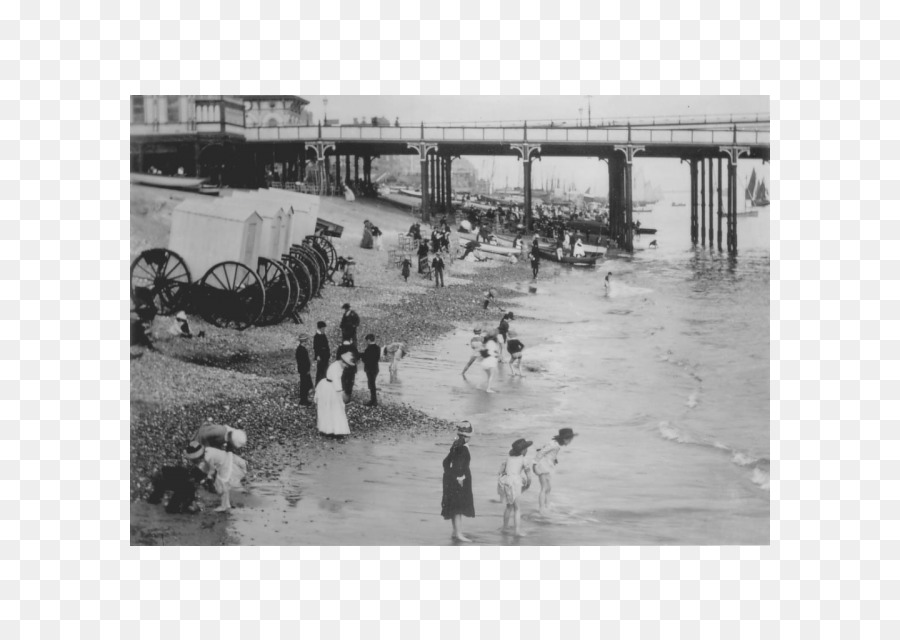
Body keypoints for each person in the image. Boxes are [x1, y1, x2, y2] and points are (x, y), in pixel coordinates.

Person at [184, 440, 247, 512]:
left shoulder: (208, 457)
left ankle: (224, 506)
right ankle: (226, 504)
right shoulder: (207, 451)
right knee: (218, 482)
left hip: (225, 463)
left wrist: (208, 478)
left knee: (222, 483)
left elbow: (212, 470)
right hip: (223, 458)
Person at [441, 421, 475, 542]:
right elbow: (460, 466)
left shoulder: (455, 445)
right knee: (458, 508)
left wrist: (449, 473)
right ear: (467, 437)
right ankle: (459, 534)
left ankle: (455, 532)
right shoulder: (463, 449)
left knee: (453, 507)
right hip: (459, 480)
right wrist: (460, 478)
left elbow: (445, 462)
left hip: (450, 479)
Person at [532, 428, 577, 513]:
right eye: (570, 440)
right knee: (544, 488)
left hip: (548, 466)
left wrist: (554, 459)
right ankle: (541, 508)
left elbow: (547, 451)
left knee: (548, 488)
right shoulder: (554, 445)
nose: (570, 442)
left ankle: (547, 505)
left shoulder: (555, 444)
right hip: (542, 466)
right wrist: (534, 464)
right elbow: (541, 452)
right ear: (565, 439)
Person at [497, 438, 534, 536]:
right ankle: (517, 531)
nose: (527, 451)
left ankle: (504, 527)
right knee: (517, 508)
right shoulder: (523, 459)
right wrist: (528, 483)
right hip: (515, 484)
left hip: (506, 482)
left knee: (508, 507)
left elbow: (501, 470)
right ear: (523, 450)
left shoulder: (508, 458)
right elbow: (528, 475)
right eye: (526, 449)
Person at [316, 351, 356, 436]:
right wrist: (341, 392)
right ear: (342, 361)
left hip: (332, 387)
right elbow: (336, 381)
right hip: (329, 387)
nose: (346, 366)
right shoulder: (335, 367)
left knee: (334, 408)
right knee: (332, 407)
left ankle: (335, 429)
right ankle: (329, 429)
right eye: (346, 364)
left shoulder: (339, 366)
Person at [361, 333, 381, 406]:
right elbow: (376, 358)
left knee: (371, 385)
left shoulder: (368, 349)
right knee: (372, 384)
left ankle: (373, 401)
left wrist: (362, 356)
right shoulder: (378, 348)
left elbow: (365, 359)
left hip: (370, 369)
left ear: (369, 340)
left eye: (367, 341)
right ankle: (373, 400)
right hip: (375, 368)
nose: (366, 342)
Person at [295, 334, 314, 406]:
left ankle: (304, 399)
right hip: (304, 370)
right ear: (304, 341)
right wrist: (306, 370)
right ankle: (304, 400)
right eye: (306, 340)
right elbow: (303, 362)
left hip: (303, 370)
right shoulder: (301, 350)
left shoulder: (300, 349)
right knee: (305, 385)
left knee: (305, 385)